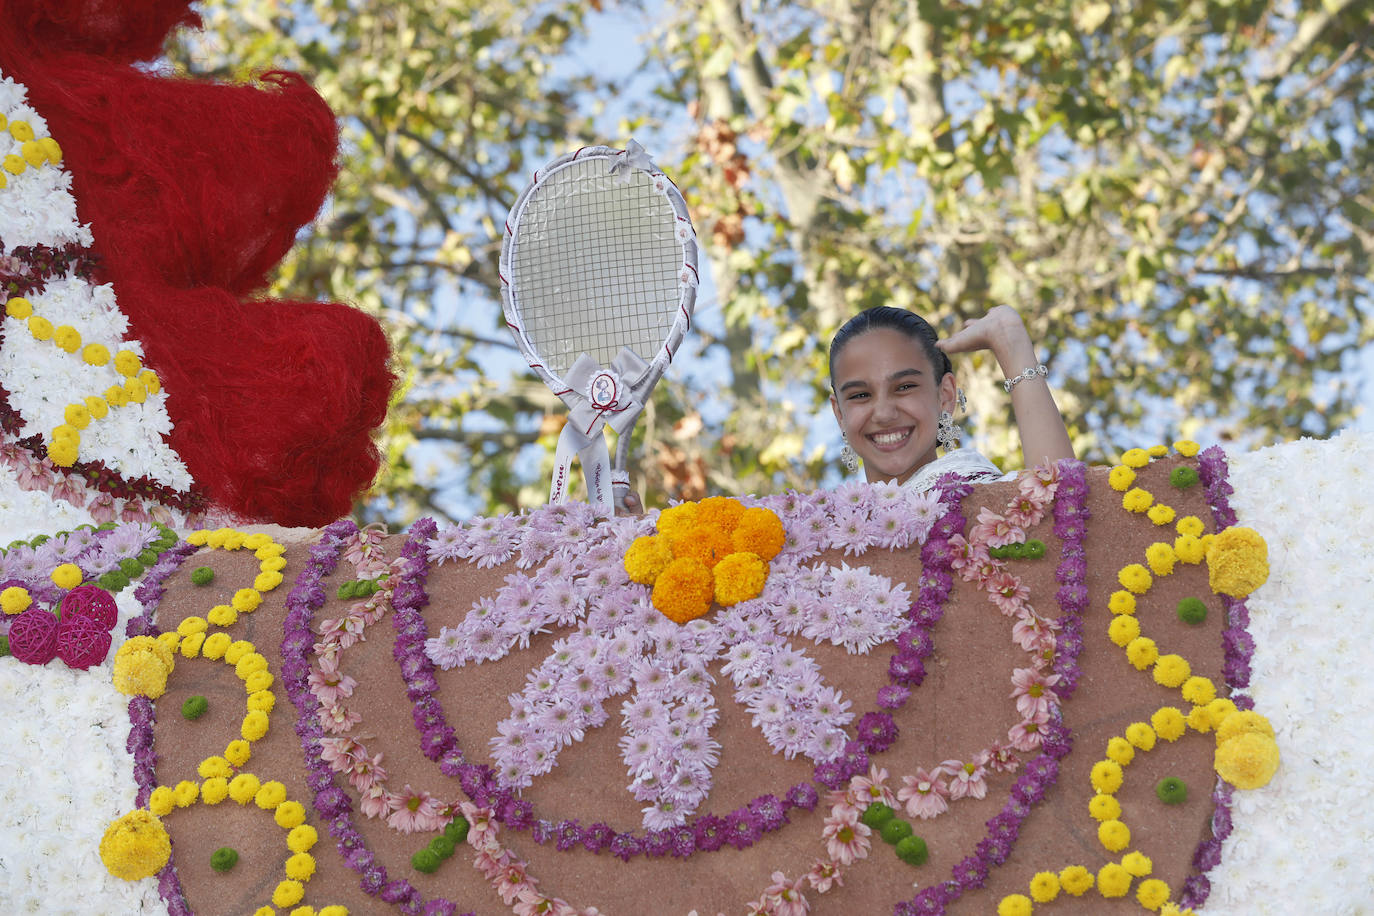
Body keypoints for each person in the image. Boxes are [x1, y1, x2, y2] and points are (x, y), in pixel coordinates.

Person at [828, 304, 1073, 490]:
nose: (883, 413)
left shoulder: (980, 498)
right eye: (860, 395)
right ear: (839, 413)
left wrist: (1012, 344)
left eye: (904, 387)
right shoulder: (818, 531)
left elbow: (1060, 507)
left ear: (945, 395)